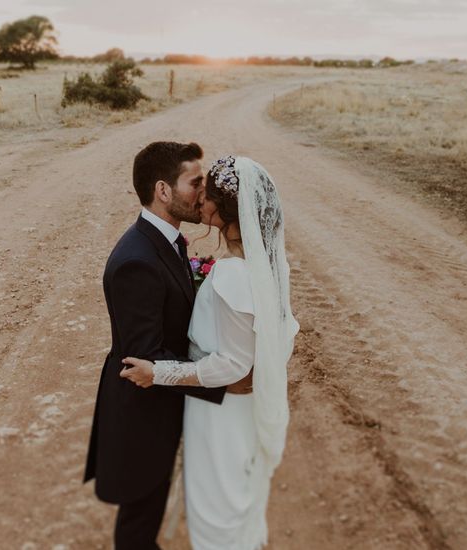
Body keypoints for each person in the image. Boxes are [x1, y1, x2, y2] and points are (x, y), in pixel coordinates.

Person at [121, 155, 300, 550]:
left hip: (218, 415)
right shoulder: (269, 265)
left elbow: (232, 364)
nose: (199, 198)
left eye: (206, 193)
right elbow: (279, 335)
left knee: (217, 513)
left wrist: (159, 372)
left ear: (222, 208)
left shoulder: (232, 275)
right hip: (240, 411)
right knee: (238, 501)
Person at [84, 142, 251, 550]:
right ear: (163, 190)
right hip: (144, 417)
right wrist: (221, 382)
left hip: (165, 408)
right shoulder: (136, 261)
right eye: (196, 182)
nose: (204, 191)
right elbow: (145, 358)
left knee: (149, 512)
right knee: (139, 522)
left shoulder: (167, 240)